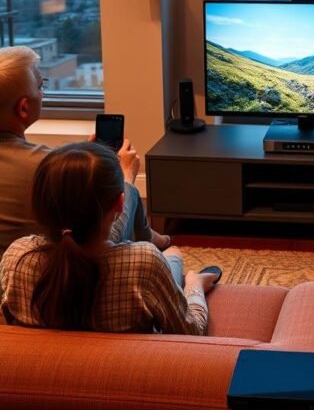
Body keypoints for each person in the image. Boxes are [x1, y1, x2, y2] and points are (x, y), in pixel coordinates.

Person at [0, 142, 221, 333]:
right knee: (173, 257)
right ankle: (179, 263)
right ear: (120, 203)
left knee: (171, 258)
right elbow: (191, 330)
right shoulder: (143, 262)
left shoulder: (18, 257)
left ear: (39, 203)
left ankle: (171, 255)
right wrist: (194, 287)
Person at [0, 47, 170, 260]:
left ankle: (159, 241)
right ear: (23, 108)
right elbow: (98, 239)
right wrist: (124, 174)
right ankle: (162, 247)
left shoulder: (47, 163)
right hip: (54, 276)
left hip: (11, 277)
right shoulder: (46, 168)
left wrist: (79, 158)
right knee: (128, 191)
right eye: (40, 86)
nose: (43, 92)